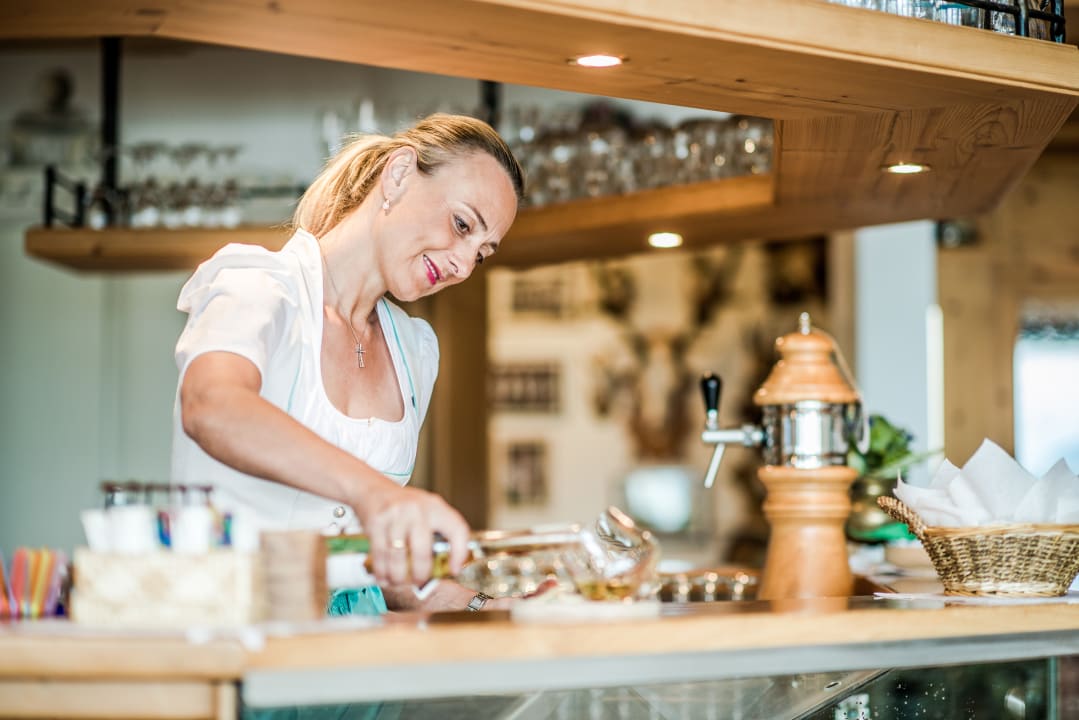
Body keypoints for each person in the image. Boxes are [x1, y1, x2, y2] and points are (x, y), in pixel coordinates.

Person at [171, 113, 524, 614]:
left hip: (356, 648)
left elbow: (376, 570)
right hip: (235, 630)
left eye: (481, 253)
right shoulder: (259, 286)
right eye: (462, 225)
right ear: (398, 175)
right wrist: (375, 494)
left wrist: (495, 607)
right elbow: (211, 407)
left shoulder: (413, 350)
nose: (464, 265)